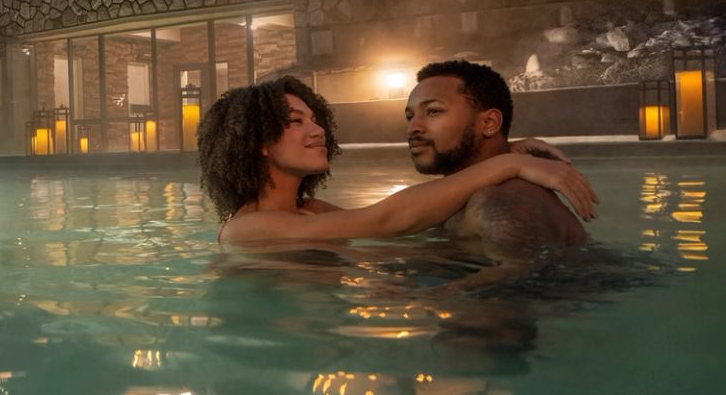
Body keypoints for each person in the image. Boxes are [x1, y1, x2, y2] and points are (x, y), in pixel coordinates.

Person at [202, 75, 596, 250]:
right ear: (259, 145)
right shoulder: (246, 229)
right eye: (295, 122)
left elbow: (413, 226)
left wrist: (499, 148)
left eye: (315, 118)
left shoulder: (309, 213)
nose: (318, 130)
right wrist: (507, 165)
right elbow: (387, 220)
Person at [406, 59, 589, 257]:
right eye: (410, 116)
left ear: (489, 123)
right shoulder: (459, 200)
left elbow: (525, 278)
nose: (413, 128)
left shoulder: (501, 200)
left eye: (433, 111)